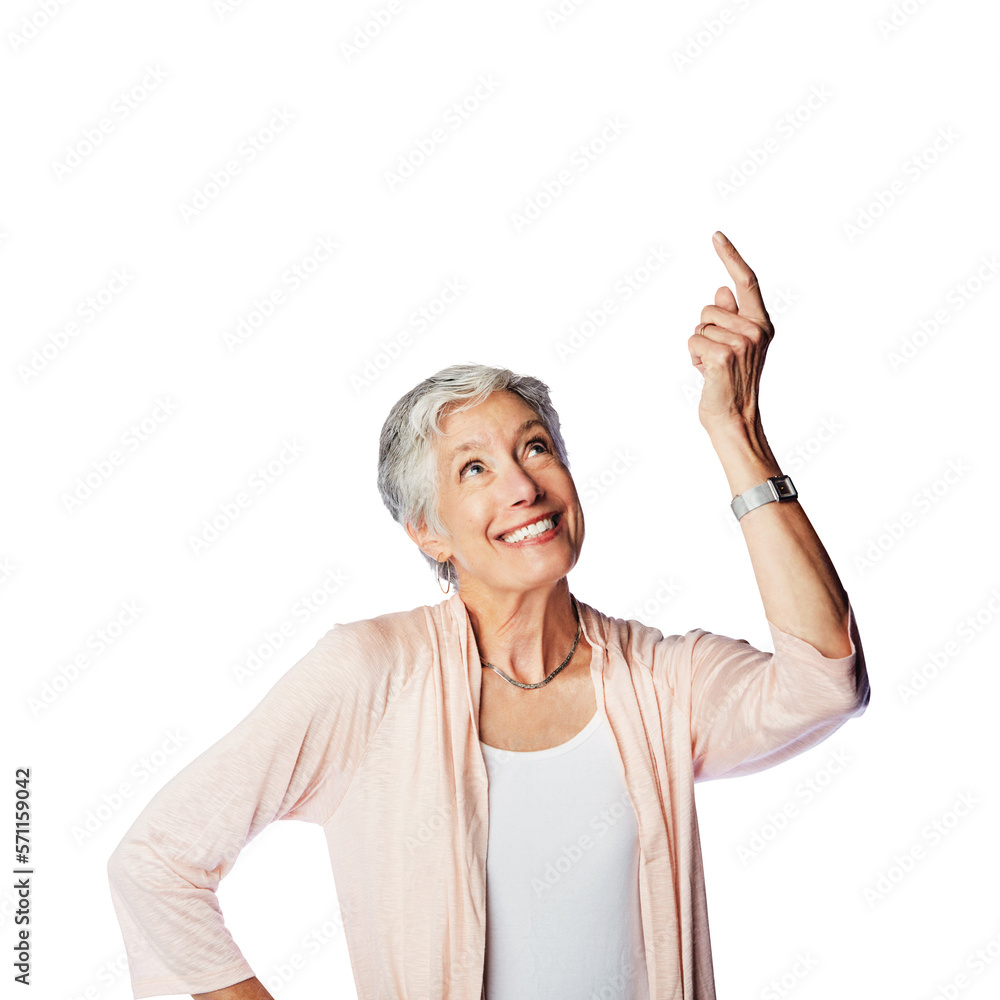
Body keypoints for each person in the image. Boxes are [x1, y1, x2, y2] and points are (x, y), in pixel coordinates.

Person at [107, 232, 870, 1000]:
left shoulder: (660, 682)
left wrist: (736, 428)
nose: (522, 486)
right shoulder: (371, 675)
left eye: (536, 449)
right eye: (474, 468)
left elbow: (825, 682)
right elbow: (157, 863)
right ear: (427, 530)